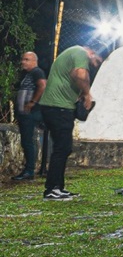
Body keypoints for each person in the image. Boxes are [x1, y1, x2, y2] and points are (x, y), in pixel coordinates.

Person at [40, 44, 103, 200]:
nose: (94, 65)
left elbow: (73, 76)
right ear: (92, 53)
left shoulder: (72, 52)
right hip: (58, 108)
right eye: (97, 61)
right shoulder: (81, 53)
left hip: (56, 107)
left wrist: (80, 93)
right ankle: (52, 189)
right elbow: (80, 75)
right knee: (62, 148)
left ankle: (58, 187)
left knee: (63, 148)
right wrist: (87, 94)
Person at [14, 51, 46, 182]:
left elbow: (43, 85)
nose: (23, 62)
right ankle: (29, 169)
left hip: (30, 114)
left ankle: (29, 170)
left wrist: (32, 102)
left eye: (26, 59)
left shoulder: (37, 72)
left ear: (34, 61)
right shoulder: (28, 74)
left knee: (27, 141)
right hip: (24, 114)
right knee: (26, 141)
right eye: (23, 59)